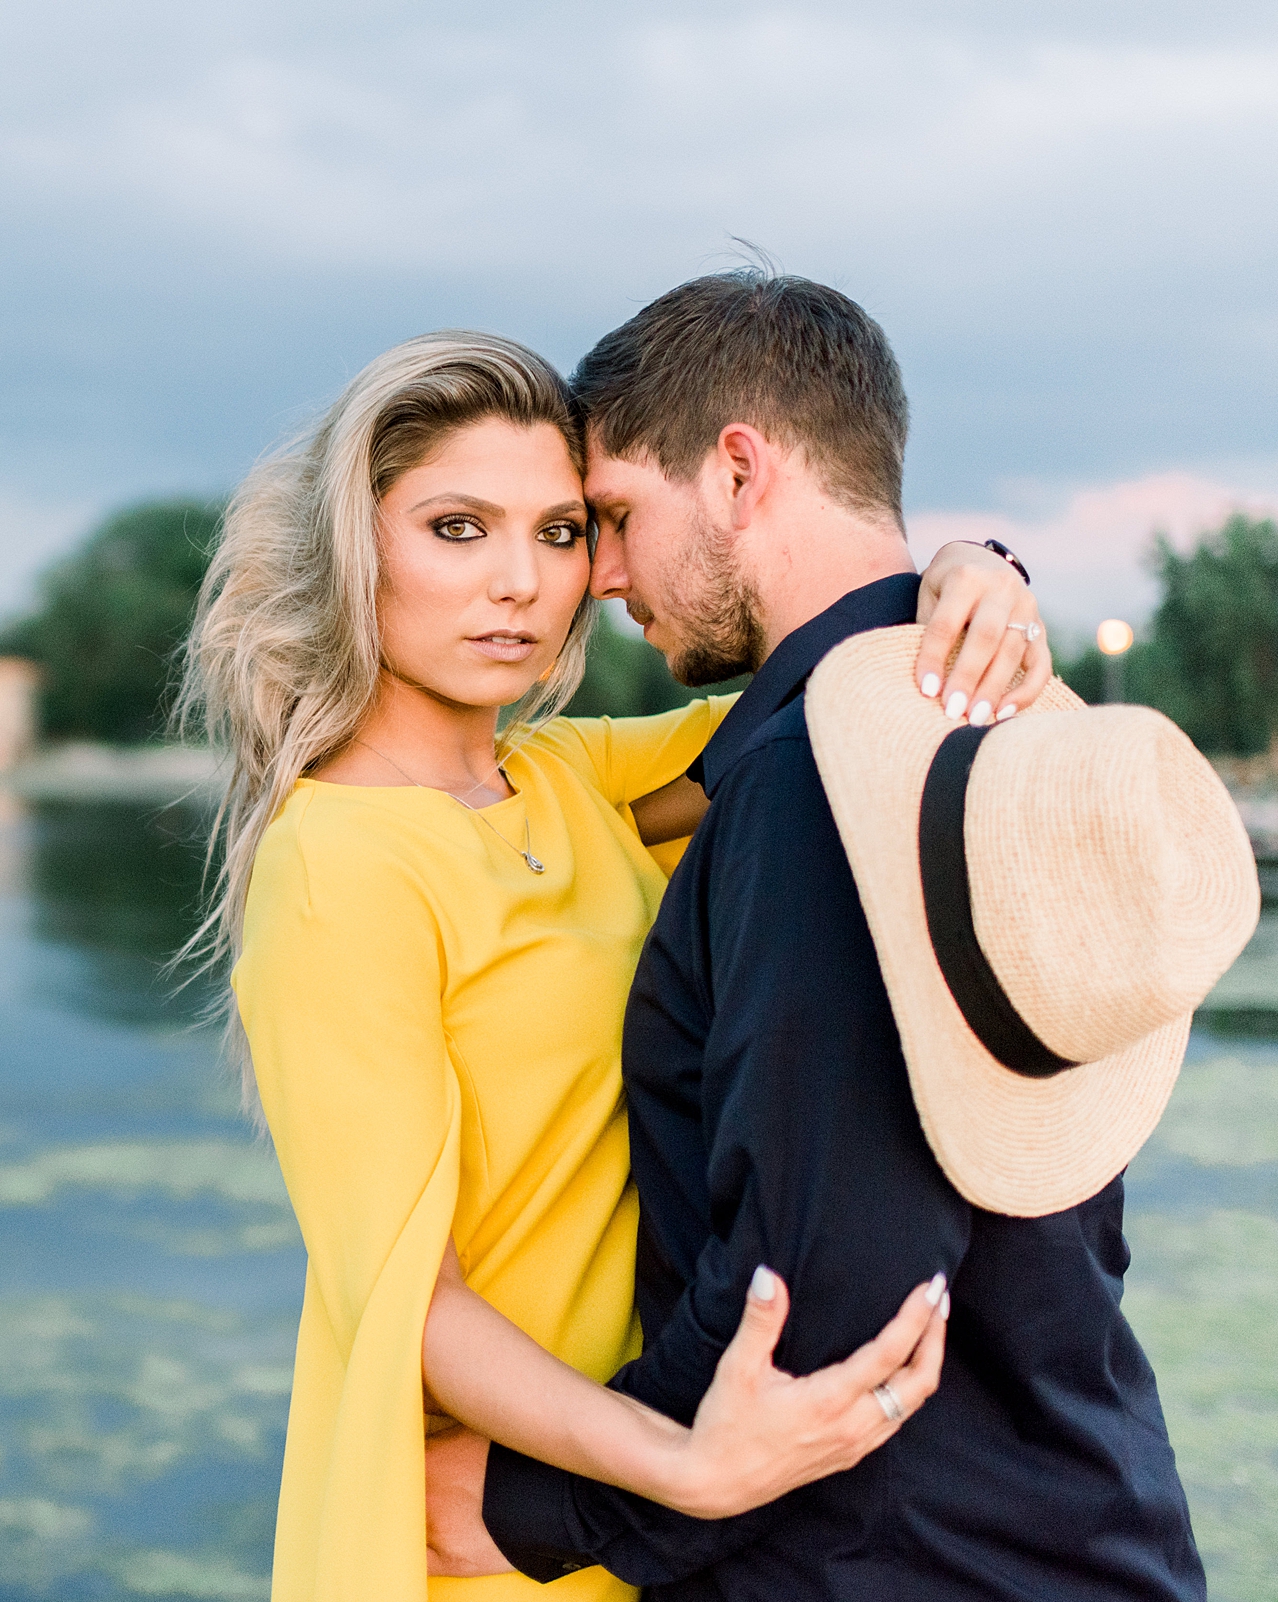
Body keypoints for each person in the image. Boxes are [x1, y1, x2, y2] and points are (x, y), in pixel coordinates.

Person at [178, 327, 1049, 1602]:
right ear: (354, 549)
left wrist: (982, 571)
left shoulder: (570, 775)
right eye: (459, 528)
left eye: (564, 531)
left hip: (645, 1510)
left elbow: (854, 688)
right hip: (493, 1527)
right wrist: (674, 1467)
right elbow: (410, 1298)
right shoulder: (337, 866)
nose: (523, 583)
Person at [428, 271, 1214, 1599]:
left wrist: (535, 1503)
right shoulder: (1006, 729)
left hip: (896, 1558)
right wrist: (981, 563)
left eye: (615, 514)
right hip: (1084, 1514)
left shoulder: (817, 779)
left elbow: (825, 1278)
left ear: (739, 470)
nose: (598, 573)